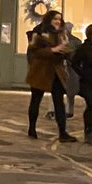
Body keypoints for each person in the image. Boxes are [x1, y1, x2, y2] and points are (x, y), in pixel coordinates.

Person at [26, 9, 75, 142]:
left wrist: (66, 51)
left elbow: (68, 49)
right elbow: (34, 51)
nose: (58, 21)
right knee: (36, 100)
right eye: (55, 19)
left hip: (57, 72)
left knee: (59, 102)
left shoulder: (62, 33)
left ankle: (63, 132)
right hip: (41, 71)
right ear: (49, 20)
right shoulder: (39, 32)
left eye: (59, 19)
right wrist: (52, 50)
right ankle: (32, 128)